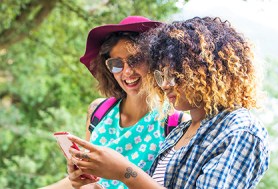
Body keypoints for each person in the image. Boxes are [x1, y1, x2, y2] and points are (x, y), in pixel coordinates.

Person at [67, 16, 270, 188]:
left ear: (206, 72)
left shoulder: (240, 130)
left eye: (175, 74)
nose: (165, 84)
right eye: (161, 75)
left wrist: (125, 172)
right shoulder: (181, 133)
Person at [42, 16, 189, 189]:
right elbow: (89, 181)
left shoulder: (177, 123)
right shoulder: (99, 110)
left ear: (155, 61)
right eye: (116, 64)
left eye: (135, 60)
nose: (126, 71)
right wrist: (78, 181)